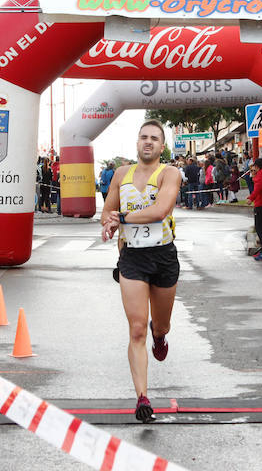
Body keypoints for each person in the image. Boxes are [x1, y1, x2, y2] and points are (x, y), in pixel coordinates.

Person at [100, 119, 181, 423]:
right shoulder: (121, 174)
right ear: (137, 142)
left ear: (162, 146)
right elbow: (107, 209)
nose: (148, 142)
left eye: (154, 139)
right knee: (136, 328)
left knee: (159, 326)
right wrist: (108, 222)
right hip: (131, 258)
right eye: (143, 137)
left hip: (162, 257)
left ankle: (158, 337)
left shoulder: (170, 173)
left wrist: (121, 216)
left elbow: (160, 211)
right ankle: (142, 398)